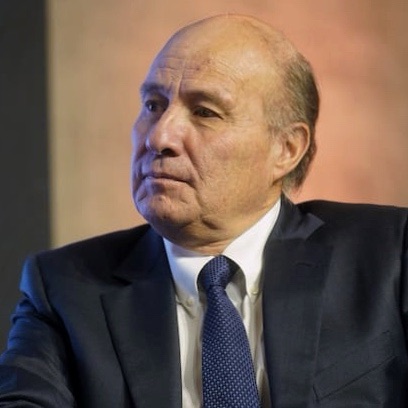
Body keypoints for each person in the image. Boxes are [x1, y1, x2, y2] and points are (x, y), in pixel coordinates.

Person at [0, 13, 407, 408]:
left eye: (205, 112)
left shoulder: (388, 256)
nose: (159, 137)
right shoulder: (64, 289)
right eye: (153, 105)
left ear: (286, 149)